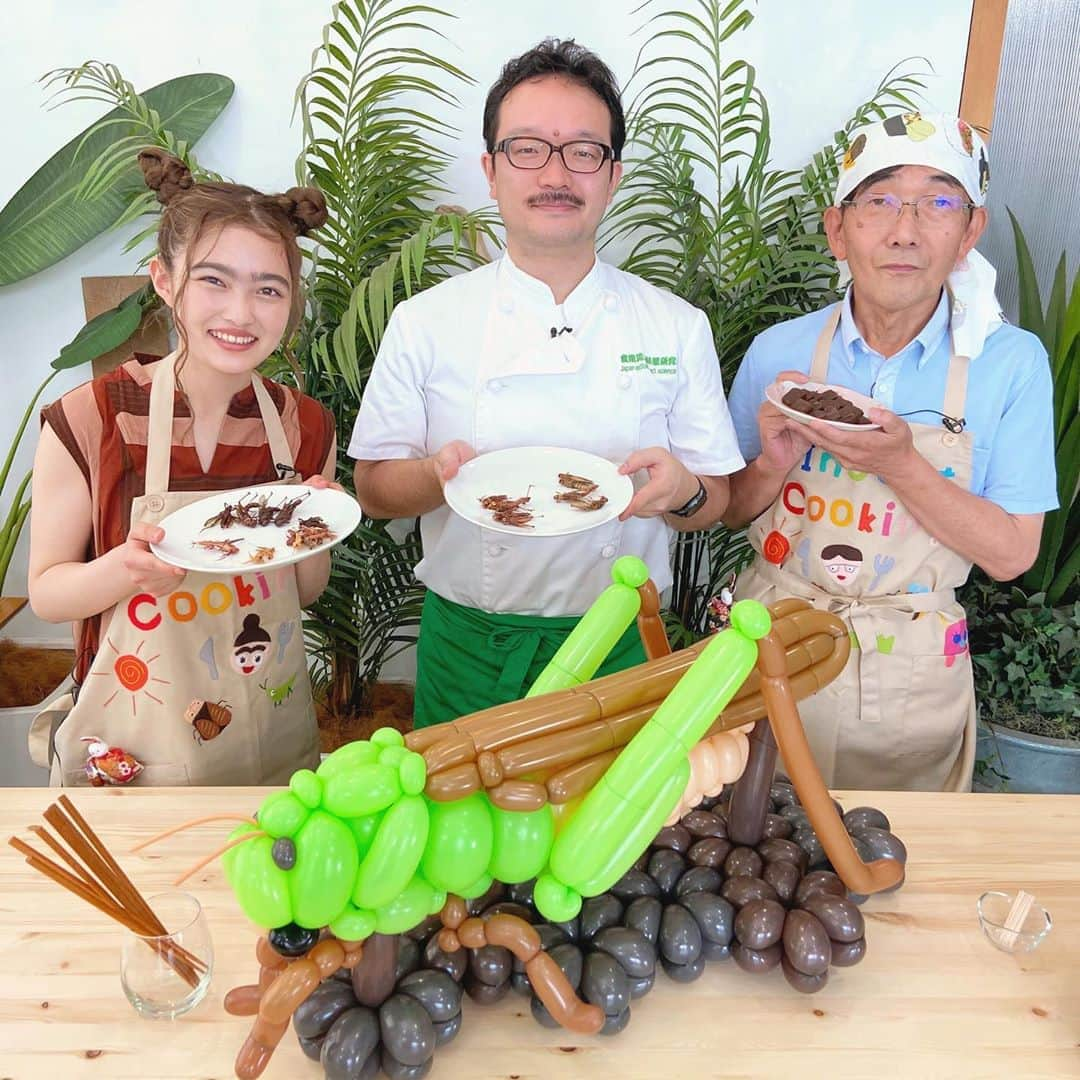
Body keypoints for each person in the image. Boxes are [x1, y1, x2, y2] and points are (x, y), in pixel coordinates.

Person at [349, 39, 744, 728]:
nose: (555, 173)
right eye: (527, 148)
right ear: (491, 171)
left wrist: (684, 491)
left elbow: (716, 498)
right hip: (470, 646)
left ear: (613, 174)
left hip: (624, 640)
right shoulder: (425, 321)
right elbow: (376, 491)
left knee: (618, 831)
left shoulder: (676, 326)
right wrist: (435, 475)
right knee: (460, 830)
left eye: (583, 151)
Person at [723, 113, 1057, 791]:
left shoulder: (1011, 364)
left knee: (903, 869)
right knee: (751, 855)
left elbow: (1012, 554)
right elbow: (732, 511)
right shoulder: (778, 354)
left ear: (970, 232)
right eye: (878, 202)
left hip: (912, 674)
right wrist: (773, 463)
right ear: (837, 230)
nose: (905, 230)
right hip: (771, 651)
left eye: (938, 202)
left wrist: (901, 463)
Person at [27, 150, 338, 786]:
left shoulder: (305, 427)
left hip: (265, 738)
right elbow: (48, 593)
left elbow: (303, 592)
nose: (242, 313)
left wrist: (314, 523)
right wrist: (125, 568)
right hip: (134, 737)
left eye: (268, 289)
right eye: (214, 280)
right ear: (165, 281)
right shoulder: (91, 417)